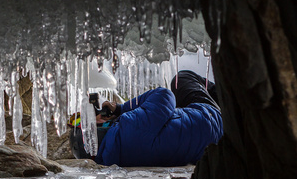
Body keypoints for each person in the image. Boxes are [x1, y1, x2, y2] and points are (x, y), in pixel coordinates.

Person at [70, 70, 223, 167]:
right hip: (212, 122)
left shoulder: (113, 158)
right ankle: (231, 102)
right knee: (182, 78)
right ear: (98, 124)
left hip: (203, 150)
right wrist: (120, 108)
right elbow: (164, 95)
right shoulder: (130, 126)